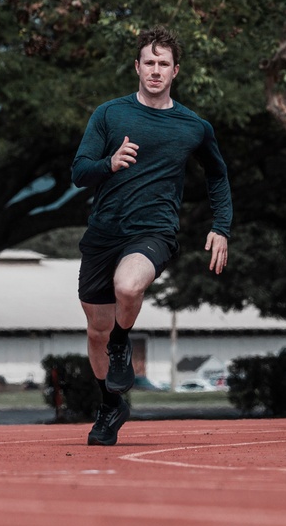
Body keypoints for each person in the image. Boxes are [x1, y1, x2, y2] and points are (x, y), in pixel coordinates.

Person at [71, 27, 232, 446]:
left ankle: (123, 344)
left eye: (164, 64)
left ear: (175, 71)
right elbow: (78, 172)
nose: (156, 70)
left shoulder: (193, 126)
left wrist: (221, 227)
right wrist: (110, 163)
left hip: (154, 230)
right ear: (137, 67)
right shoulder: (109, 115)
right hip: (103, 232)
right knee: (95, 331)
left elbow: (218, 175)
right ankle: (111, 405)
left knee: (128, 286)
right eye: (149, 63)